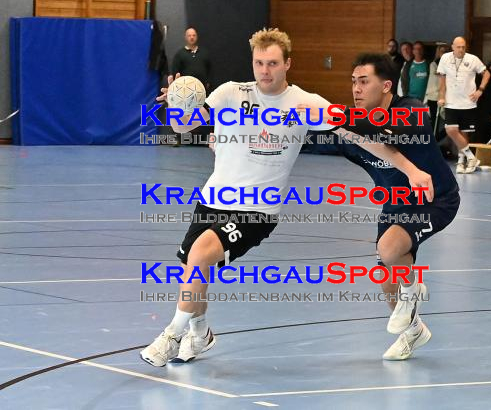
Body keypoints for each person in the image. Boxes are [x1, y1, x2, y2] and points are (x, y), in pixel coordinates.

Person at [140, 29, 434, 367]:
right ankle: (201, 331)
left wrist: (410, 169)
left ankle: (171, 335)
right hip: (212, 200)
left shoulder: (305, 104)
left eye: (273, 63)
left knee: (201, 253)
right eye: (259, 63)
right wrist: (179, 103)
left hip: (258, 210)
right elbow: (183, 128)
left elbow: (362, 137)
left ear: (287, 64)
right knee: (195, 269)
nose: (265, 71)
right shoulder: (229, 93)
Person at [307, 53, 460, 360]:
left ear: (387, 85)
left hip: (436, 199)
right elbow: (313, 140)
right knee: (387, 284)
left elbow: (391, 131)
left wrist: (337, 118)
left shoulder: (412, 111)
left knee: (390, 249)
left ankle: (412, 289)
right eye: (353, 82)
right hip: (395, 206)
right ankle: (414, 330)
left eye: (364, 81)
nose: (356, 89)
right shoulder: (354, 129)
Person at [438, 37, 491, 174]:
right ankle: (471, 157)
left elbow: (486, 74)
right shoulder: (445, 58)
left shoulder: (473, 59)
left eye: (463, 47)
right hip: (451, 102)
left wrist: (480, 90)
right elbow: (442, 80)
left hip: (468, 103)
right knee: (451, 130)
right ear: (453, 47)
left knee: (464, 134)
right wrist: (441, 97)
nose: (461, 49)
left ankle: (462, 162)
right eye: (458, 47)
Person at [170, 27, 211, 91]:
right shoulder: (180, 54)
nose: (192, 37)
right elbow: (175, 72)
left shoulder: (204, 53)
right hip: (186, 89)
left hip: (202, 88)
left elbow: (209, 69)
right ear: (185, 37)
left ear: (197, 37)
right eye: (189, 35)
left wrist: (208, 81)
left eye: (194, 35)